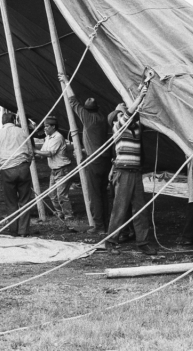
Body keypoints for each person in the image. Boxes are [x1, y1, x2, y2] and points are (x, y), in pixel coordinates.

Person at [105, 86, 157, 256]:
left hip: (135, 172)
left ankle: (143, 242)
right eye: (122, 113)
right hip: (124, 171)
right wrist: (140, 95)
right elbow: (129, 114)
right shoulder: (118, 125)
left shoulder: (135, 128)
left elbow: (137, 114)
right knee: (120, 208)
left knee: (140, 208)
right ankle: (111, 241)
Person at [58, 74, 110, 234]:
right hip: (105, 159)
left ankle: (99, 226)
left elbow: (73, 101)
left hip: (94, 161)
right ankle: (106, 224)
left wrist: (66, 82)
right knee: (103, 193)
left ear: (87, 110)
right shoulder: (102, 118)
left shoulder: (88, 118)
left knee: (95, 195)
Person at [0, 112, 34, 237]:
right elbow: (30, 152)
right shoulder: (23, 132)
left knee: (11, 202)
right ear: (14, 120)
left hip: (7, 169)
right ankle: (23, 231)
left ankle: (14, 230)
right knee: (25, 201)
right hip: (23, 168)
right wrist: (26, 163)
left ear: (2, 122)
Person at [33, 116, 75, 221]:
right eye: (44, 126)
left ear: (53, 127)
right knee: (52, 194)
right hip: (54, 169)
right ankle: (59, 213)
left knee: (61, 195)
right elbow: (42, 152)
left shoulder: (58, 137)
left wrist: (34, 150)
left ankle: (69, 216)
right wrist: (31, 154)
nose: (45, 128)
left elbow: (50, 153)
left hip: (62, 168)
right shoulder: (48, 138)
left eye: (47, 126)